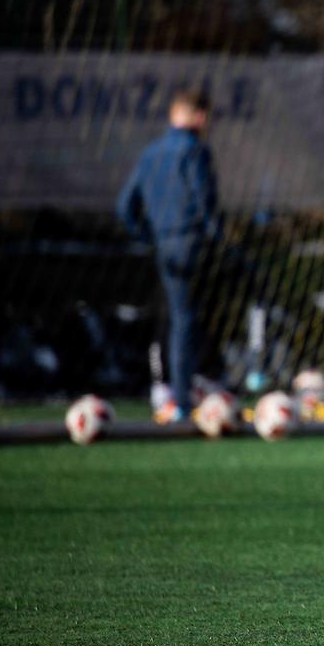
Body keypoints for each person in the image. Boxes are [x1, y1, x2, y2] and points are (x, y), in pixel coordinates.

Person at [117, 89, 220, 423]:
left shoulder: (151, 154)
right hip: (190, 242)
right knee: (186, 320)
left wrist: (149, 236)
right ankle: (183, 397)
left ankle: (179, 390)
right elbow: (204, 202)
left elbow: (125, 207)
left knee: (177, 316)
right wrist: (217, 239)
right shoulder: (194, 151)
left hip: (164, 245)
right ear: (198, 116)